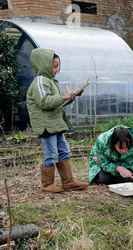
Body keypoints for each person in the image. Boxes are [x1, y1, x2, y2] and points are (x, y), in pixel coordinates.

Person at [26, 48, 89, 193]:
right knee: (52, 153)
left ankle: (68, 182)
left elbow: (57, 102)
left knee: (64, 150)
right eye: (55, 66)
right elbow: (44, 102)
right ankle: (47, 185)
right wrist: (63, 97)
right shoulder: (40, 82)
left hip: (55, 123)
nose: (57, 69)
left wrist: (70, 96)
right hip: (46, 125)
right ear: (44, 65)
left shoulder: (50, 81)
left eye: (58, 66)